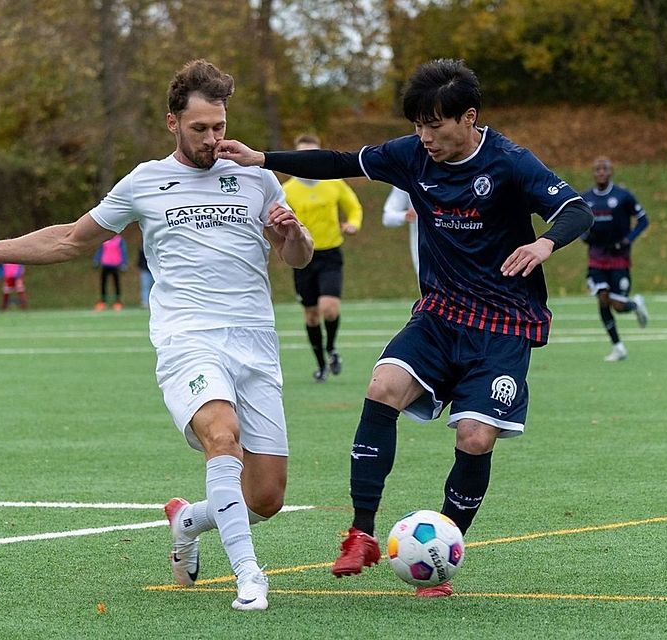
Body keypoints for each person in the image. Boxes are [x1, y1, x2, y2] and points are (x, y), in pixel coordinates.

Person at [0, 59, 313, 611]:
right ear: (172, 123)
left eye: (219, 126)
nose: (213, 139)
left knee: (266, 496)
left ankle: (189, 519)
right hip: (187, 336)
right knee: (221, 433)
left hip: (255, 340)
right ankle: (250, 576)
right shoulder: (144, 182)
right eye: (200, 129)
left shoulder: (257, 177)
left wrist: (294, 234)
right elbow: (71, 239)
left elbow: (298, 259)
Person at [217, 58, 592, 597]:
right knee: (382, 387)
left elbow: (578, 210)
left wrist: (544, 242)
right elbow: (341, 160)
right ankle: (362, 532)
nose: (425, 137)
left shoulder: (511, 163)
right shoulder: (412, 156)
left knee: (476, 436)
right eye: (418, 125)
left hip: (503, 326)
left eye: (435, 126)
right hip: (439, 316)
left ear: (469, 117)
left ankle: (443, 553)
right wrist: (263, 159)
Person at [282, 133, 364, 383]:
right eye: (302, 155)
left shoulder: (334, 182)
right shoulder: (287, 190)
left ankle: (331, 349)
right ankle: (321, 364)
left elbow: (354, 207)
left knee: (329, 309)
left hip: (330, 254)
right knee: (311, 316)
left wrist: (353, 224)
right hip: (304, 257)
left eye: (312, 154)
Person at [581, 157, 650, 362]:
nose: (601, 172)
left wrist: (628, 240)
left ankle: (635, 304)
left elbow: (643, 220)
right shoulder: (585, 198)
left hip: (619, 258)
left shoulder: (623, 196)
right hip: (596, 258)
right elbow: (575, 220)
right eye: (597, 169)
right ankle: (618, 347)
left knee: (618, 306)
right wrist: (584, 236)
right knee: (602, 298)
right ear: (593, 173)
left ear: (610, 172)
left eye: (604, 169)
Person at [382, 187, 420, 288]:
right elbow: (387, 217)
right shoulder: (410, 176)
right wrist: (405, 215)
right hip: (424, 256)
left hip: (460, 251)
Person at [93, 234, 128, 311]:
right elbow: (100, 250)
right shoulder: (104, 239)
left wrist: (124, 263)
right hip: (105, 264)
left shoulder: (119, 240)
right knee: (103, 283)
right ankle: (103, 301)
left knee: (116, 283)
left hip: (115, 264)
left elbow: (123, 251)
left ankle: (117, 302)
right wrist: (96, 260)